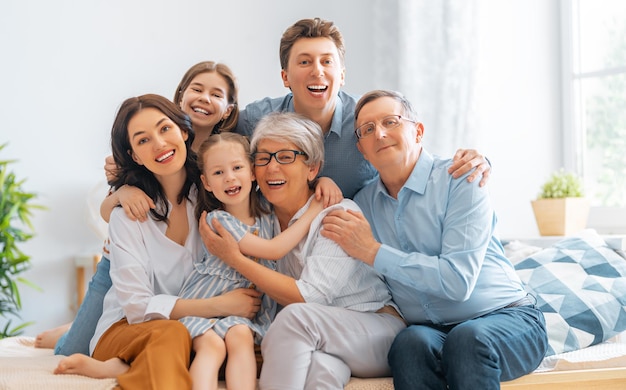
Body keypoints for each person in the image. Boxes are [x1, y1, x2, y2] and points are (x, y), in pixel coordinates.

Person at [320, 90, 548, 389]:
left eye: (391, 121)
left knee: (466, 340)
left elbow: (457, 281)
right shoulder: (363, 205)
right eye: (368, 129)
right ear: (361, 148)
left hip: (507, 319)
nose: (380, 133)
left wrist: (373, 251)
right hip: (431, 331)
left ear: (418, 131)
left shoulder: (462, 179)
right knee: (408, 344)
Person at [35, 61, 254, 356]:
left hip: (179, 293)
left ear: (228, 109)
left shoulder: (219, 167)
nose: (204, 98)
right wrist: (121, 193)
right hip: (121, 265)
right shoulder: (146, 141)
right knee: (73, 347)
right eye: (197, 89)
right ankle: (73, 331)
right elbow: (110, 211)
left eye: (216, 94)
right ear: (180, 98)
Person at [200, 111, 407, 390]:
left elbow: (309, 299)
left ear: (312, 168)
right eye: (263, 158)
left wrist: (235, 258)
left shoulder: (336, 214)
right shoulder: (260, 217)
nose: (272, 168)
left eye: (286, 157)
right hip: (321, 339)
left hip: (375, 329)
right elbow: (214, 170)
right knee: (321, 372)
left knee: (295, 318)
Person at [234, 17, 491, 199]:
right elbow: (209, 146)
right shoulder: (259, 119)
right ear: (285, 78)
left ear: (342, 75)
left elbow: (416, 160)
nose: (317, 71)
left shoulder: (369, 119)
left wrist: (478, 161)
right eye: (304, 62)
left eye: (327, 61)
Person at [180, 132, 323, 390]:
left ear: (253, 173)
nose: (230, 177)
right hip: (204, 305)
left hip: (243, 316)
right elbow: (273, 250)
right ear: (207, 183)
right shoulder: (219, 220)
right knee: (211, 346)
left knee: (241, 336)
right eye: (218, 173)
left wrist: (327, 184)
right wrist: (314, 210)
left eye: (237, 168)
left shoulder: (267, 211)